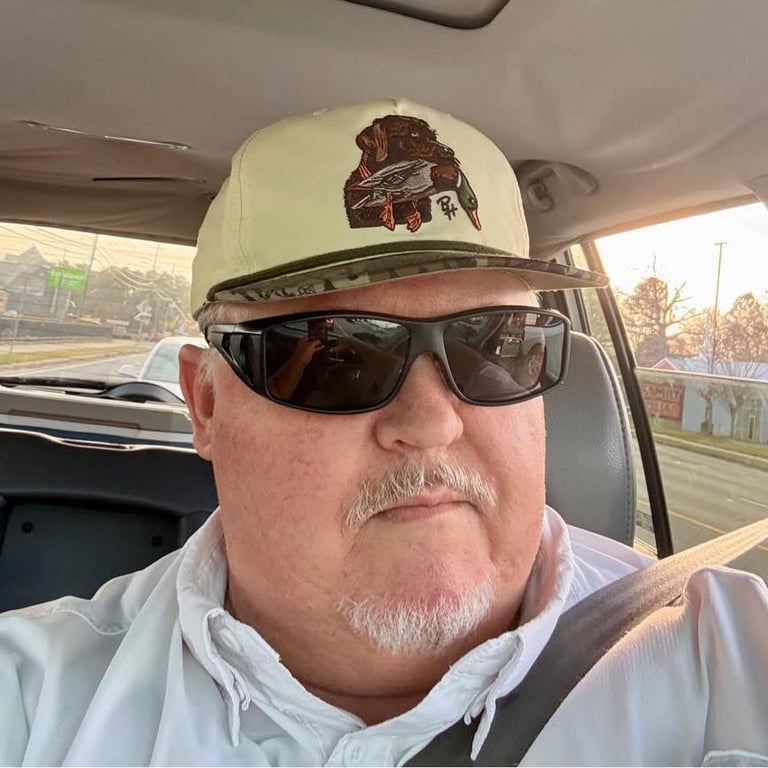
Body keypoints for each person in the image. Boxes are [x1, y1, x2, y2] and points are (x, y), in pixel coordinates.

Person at [0, 99, 766, 767]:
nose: (431, 423)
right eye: (336, 356)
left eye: (494, 343)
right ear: (206, 405)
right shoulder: (36, 702)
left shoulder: (726, 661)